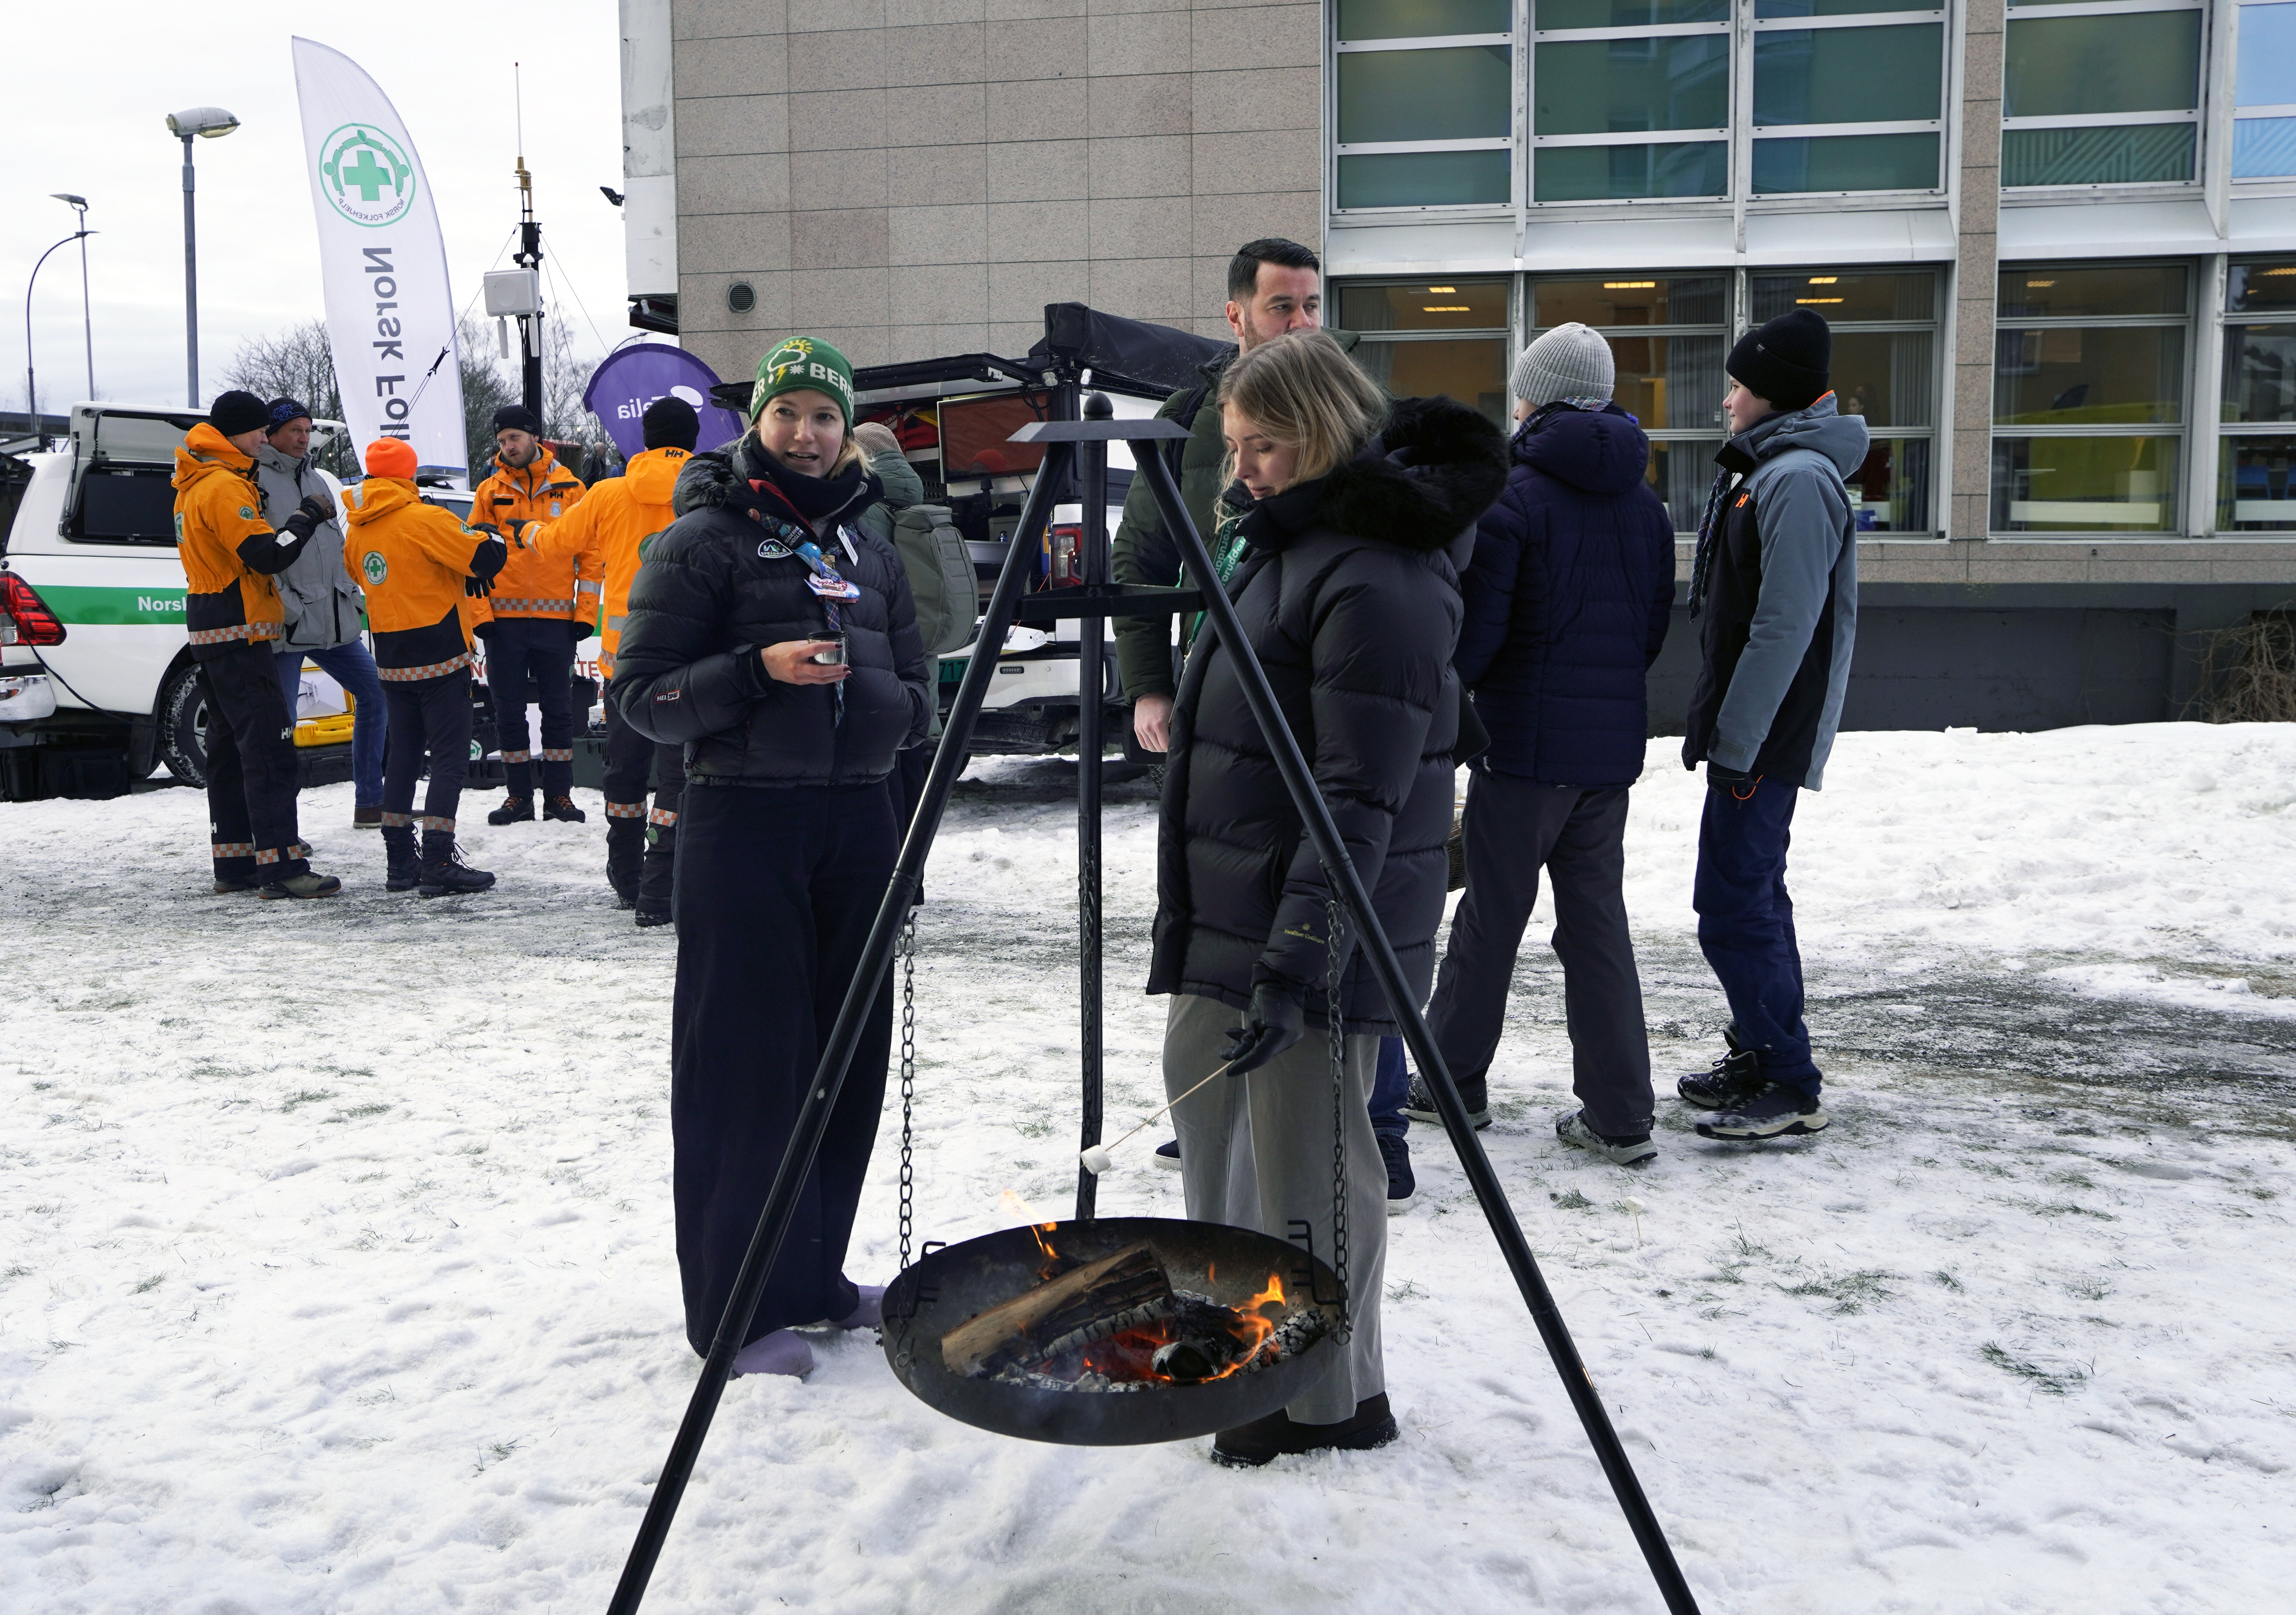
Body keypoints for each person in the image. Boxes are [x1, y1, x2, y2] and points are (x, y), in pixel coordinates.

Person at [1148, 331, 1507, 1464]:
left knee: (1305, 1154)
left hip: (1311, 920)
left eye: (1270, 443)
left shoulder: (1376, 568)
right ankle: (1250, 1359)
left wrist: (1302, 948)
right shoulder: (1285, 545)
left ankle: (1324, 1395)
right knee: (1217, 1123)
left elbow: (1359, 787)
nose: (1245, 466)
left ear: (1327, 430)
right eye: (1239, 446)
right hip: (1239, 904)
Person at [611, 335, 930, 1379]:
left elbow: (924, 683)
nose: (806, 434)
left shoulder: (873, 548)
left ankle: (813, 1279)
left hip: (855, 817)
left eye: (824, 417)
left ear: (848, 430)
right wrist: (754, 671)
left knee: (844, 1061)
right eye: (787, 414)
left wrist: (887, 711)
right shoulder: (700, 540)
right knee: (745, 1073)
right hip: (740, 819)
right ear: (756, 425)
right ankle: (734, 1310)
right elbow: (638, 699)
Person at [1108, 238, 1412, 1200]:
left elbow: (1359, 790)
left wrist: (1292, 966)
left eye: (1312, 306)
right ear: (1237, 312)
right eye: (1284, 306)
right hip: (1236, 767)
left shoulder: (1365, 553)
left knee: (1315, 1133)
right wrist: (1153, 683)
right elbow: (1143, 563)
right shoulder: (1197, 432)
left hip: (1303, 827)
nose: (1303, 322)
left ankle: (1385, 1124)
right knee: (1231, 1106)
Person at [1398, 324, 1676, 1168]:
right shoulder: (1646, 502)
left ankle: (1452, 1081)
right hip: (1606, 755)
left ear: (1537, 398)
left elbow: (1476, 642)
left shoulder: (1513, 497)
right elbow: (1652, 630)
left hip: (1523, 750)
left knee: (1490, 916)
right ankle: (1621, 1112)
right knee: (1597, 925)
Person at [1677, 308, 1864, 1141]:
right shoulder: (1773, 468)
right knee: (1748, 896)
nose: (1726, 400)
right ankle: (1764, 1050)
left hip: (1765, 735)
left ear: (1775, 395)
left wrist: (1739, 740)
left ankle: (1788, 1079)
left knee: (1732, 904)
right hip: (1752, 728)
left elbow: (1783, 626)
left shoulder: (1795, 479)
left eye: (1741, 385)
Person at [170, 390, 342, 899]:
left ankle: (236, 862)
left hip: (212, 626)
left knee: (227, 751)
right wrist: (307, 516)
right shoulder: (223, 486)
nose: (265, 438)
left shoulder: (192, 481)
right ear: (234, 432)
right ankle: (283, 867)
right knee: (269, 751)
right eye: (258, 431)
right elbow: (267, 556)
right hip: (241, 628)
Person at [532, 395, 698, 923]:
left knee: (625, 774)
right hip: (690, 666)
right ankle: (662, 884)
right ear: (694, 441)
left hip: (623, 668)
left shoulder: (606, 493)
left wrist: (526, 531)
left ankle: (626, 875)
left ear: (643, 440)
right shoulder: (712, 493)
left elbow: (556, 545)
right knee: (677, 779)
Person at [342, 437, 508, 897]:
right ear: (409, 475)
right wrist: (490, 531)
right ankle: (438, 859)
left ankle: (400, 862)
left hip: (392, 659)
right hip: (440, 655)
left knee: (403, 760)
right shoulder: (425, 518)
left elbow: (361, 576)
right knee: (450, 761)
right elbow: (483, 558)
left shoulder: (358, 528)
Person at [255, 397, 388, 828]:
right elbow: (260, 554)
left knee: (375, 695)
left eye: (307, 429)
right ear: (271, 433)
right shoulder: (254, 478)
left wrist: (350, 591)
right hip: (290, 624)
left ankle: (371, 803)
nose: (303, 437)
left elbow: (335, 545)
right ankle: (281, 828)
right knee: (282, 726)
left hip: (334, 620)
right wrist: (289, 607)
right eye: (294, 429)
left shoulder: (316, 476)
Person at [470, 404, 596, 827]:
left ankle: (559, 795)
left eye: (515, 439)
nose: (508, 446)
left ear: (535, 438)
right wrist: (480, 615)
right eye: (503, 440)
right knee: (507, 711)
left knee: (559, 710)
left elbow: (591, 556)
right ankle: (518, 796)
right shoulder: (489, 491)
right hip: (502, 625)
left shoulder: (572, 489)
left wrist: (585, 613)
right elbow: (470, 557)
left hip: (556, 622)